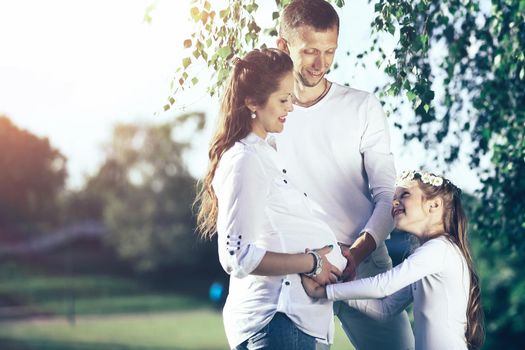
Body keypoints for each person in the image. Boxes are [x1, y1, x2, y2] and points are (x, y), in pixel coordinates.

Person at [275, 0, 414, 348]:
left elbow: (387, 195)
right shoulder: (267, 116)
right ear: (283, 47)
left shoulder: (362, 106)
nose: (320, 64)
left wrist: (358, 252)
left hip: (365, 261)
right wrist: (308, 260)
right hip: (302, 269)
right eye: (309, 51)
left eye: (329, 51)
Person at [195, 48, 347, 350]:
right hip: (279, 321)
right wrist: (313, 262)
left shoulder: (268, 154)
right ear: (252, 102)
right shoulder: (245, 159)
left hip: (293, 323)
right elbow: (237, 256)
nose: (290, 106)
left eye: (291, 97)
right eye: (282, 99)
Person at [302, 170, 485, 350]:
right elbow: (385, 309)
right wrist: (342, 291)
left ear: (434, 205)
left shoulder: (441, 249)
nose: (394, 201)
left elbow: (384, 285)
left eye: (404, 194)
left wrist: (325, 291)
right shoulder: (432, 254)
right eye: (394, 196)